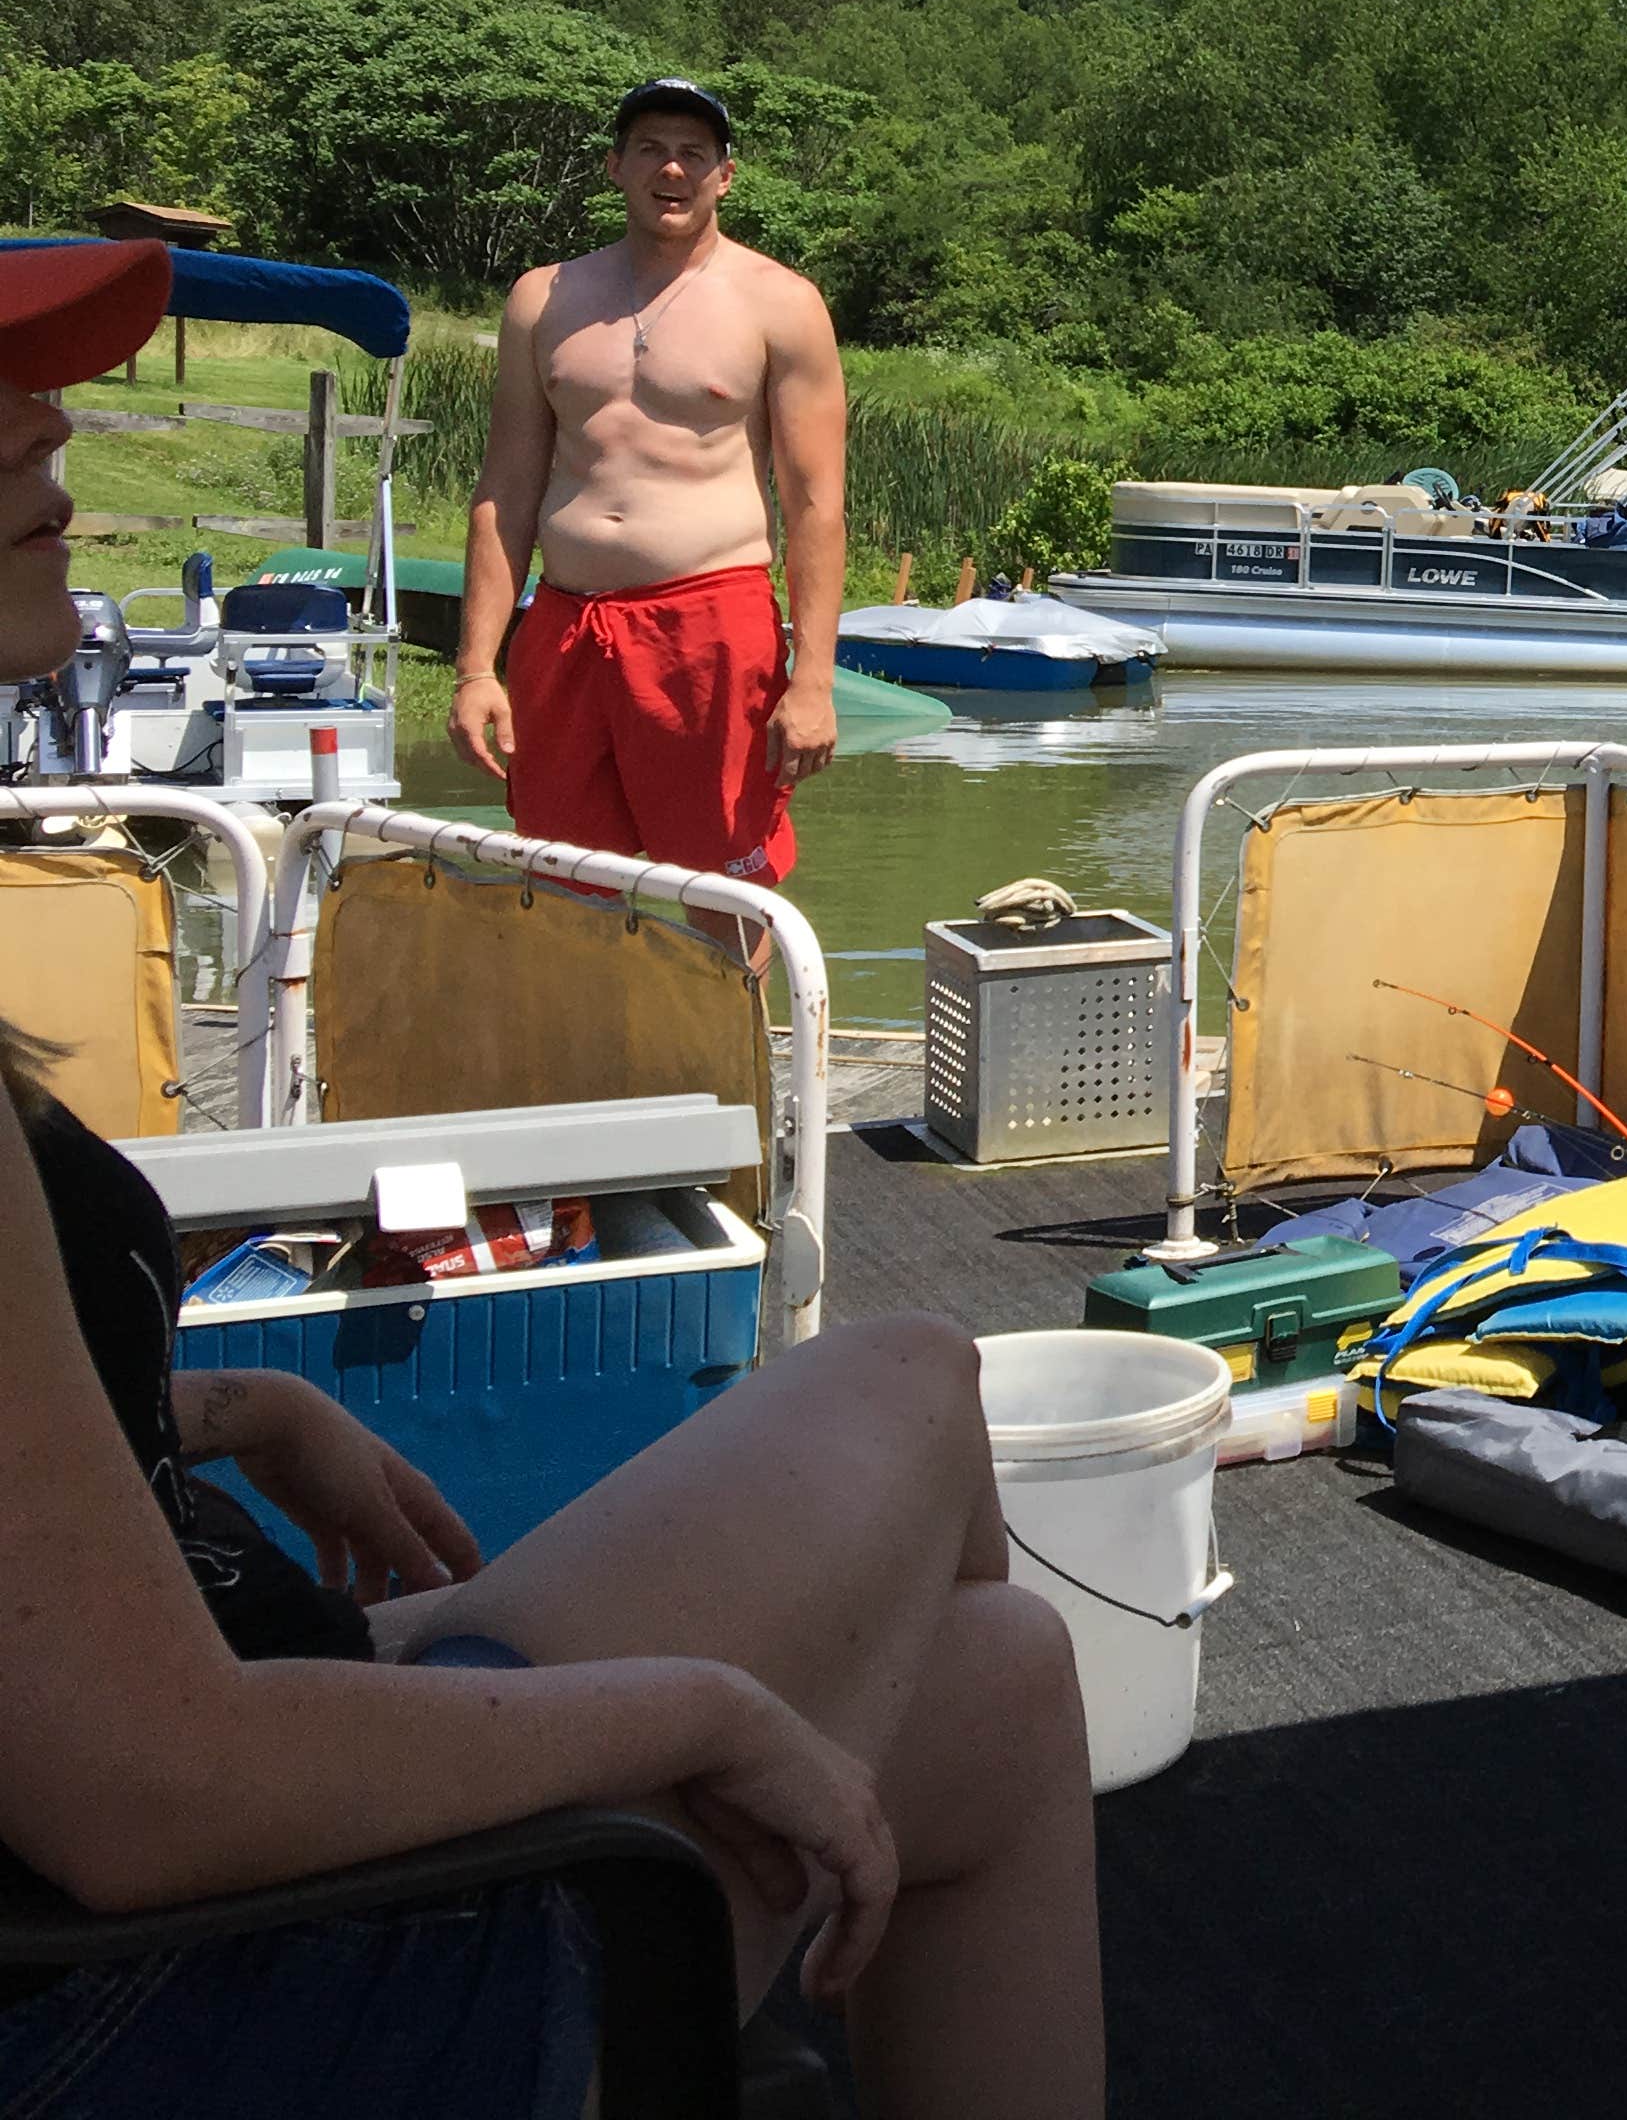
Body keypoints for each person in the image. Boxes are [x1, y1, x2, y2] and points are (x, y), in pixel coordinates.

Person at [0, 237, 1099, 2116]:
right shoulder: (545, 304)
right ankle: (677, 2006)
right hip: (181, 1978)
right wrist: (705, 1710)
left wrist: (222, 1394)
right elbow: (149, 1792)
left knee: (993, 1680)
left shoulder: (773, 305)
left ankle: (766, 1954)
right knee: (916, 1373)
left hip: (188, 1717)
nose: (55, 427)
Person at [452, 78, 846, 888]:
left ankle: (733, 1023)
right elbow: (507, 489)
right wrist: (475, 668)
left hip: (710, 631)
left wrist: (812, 681)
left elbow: (815, 506)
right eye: (652, 150)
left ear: (724, 177)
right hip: (564, 626)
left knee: (725, 884)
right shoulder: (542, 298)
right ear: (616, 167)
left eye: (694, 153)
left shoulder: (782, 304)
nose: (673, 169)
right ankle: (587, 1022)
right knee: (560, 879)